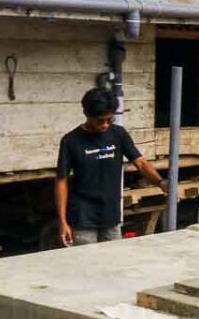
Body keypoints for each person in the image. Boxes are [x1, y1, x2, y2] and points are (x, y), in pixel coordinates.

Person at [55, 88, 167, 246]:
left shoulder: (118, 134)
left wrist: (161, 182)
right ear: (87, 114)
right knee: (88, 264)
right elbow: (61, 181)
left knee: (113, 262)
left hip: (111, 215)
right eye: (100, 121)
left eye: (109, 120)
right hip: (83, 217)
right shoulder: (71, 141)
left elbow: (141, 162)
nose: (105, 125)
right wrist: (63, 222)